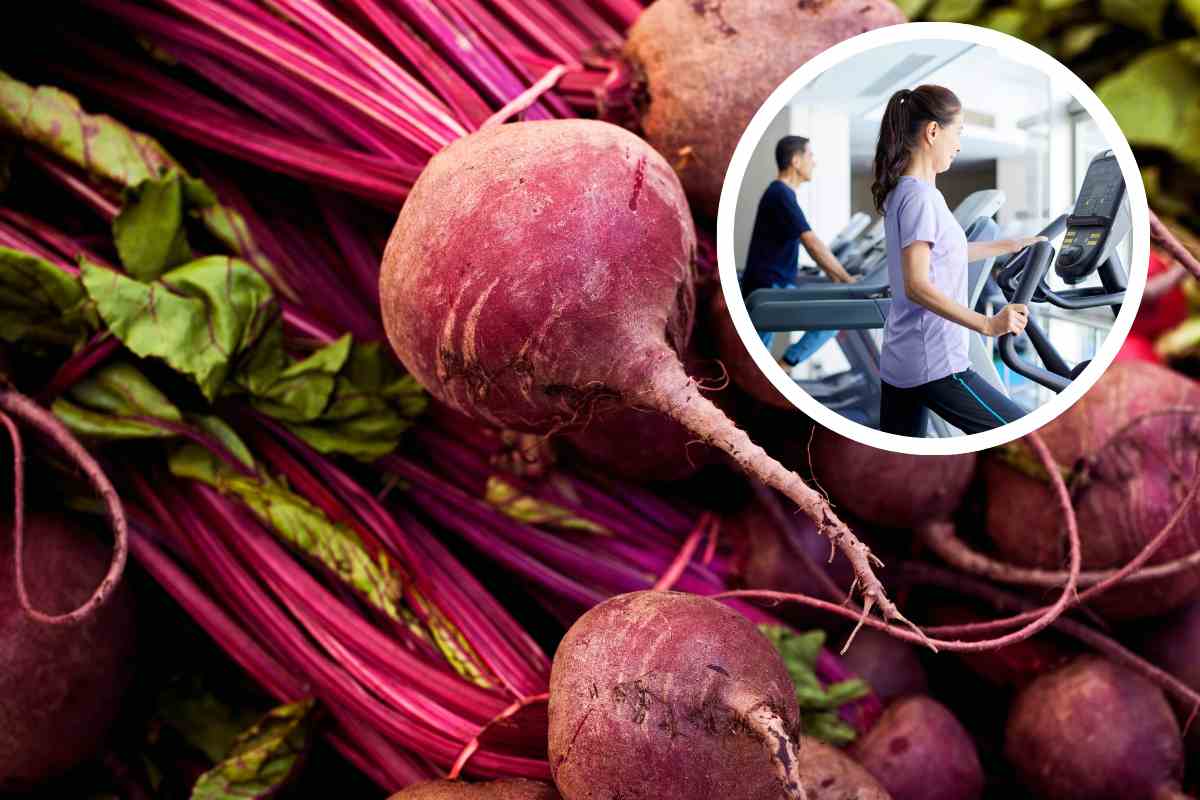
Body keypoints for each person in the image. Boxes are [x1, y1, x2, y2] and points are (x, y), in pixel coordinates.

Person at [872, 85, 1046, 437]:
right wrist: (986, 324)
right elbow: (918, 285)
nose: (959, 144)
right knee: (1026, 437)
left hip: (903, 359)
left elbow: (945, 255)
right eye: (959, 132)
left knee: (905, 460)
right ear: (933, 131)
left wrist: (1008, 245)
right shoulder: (920, 198)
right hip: (936, 365)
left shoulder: (906, 192)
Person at [742, 136, 856, 369]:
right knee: (837, 316)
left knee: (755, 363)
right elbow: (811, 242)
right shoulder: (781, 194)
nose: (814, 162)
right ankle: (782, 368)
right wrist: (846, 280)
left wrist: (840, 279)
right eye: (810, 156)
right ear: (796, 160)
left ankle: (779, 369)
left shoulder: (782, 194)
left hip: (774, 287)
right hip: (770, 292)